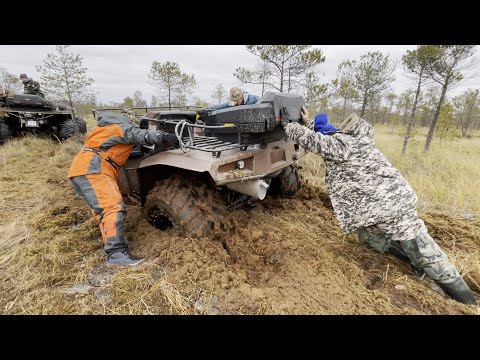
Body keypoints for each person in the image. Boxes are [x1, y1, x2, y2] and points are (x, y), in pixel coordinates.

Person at [283, 109, 477, 305]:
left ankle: (466, 299)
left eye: (341, 131)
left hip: (393, 208)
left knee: (426, 252)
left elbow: (315, 141)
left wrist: (287, 124)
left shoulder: (345, 146)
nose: (338, 132)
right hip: (380, 208)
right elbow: (324, 136)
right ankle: (414, 263)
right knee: (368, 237)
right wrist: (308, 122)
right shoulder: (356, 143)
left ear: (346, 135)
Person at [67, 111, 180, 266]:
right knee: (113, 207)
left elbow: (120, 146)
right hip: (94, 171)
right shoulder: (118, 127)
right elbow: (138, 134)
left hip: (79, 172)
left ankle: (112, 247)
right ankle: (117, 254)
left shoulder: (102, 129)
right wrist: (164, 137)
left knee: (103, 212)